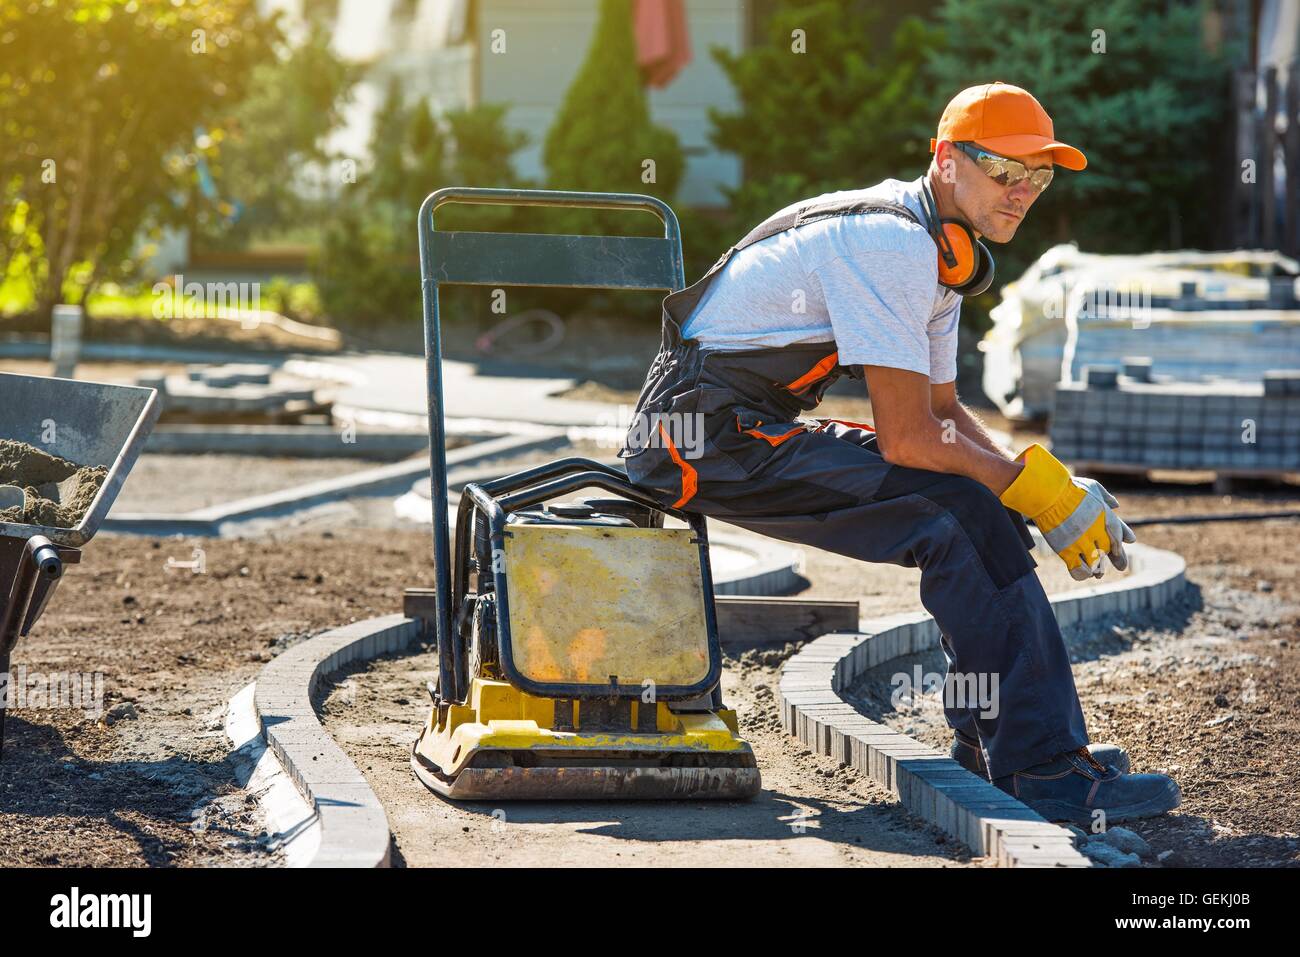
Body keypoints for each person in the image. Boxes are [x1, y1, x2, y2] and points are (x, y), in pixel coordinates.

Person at [618, 81, 1180, 826]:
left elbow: (945, 413)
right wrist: (1029, 492)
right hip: (695, 438)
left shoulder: (942, 253)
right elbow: (908, 437)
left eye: (1037, 177)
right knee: (953, 514)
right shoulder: (892, 242)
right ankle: (1043, 769)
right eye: (1005, 170)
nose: (1023, 191)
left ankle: (998, 743)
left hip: (743, 427)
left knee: (978, 507)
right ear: (947, 159)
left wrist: (1044, 484)